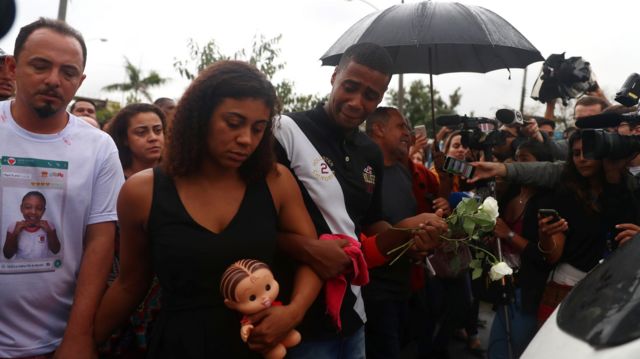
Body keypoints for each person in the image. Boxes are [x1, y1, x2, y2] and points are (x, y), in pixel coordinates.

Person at [94, 60, 323, 358]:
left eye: (258, 128)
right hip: (179, 346)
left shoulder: (276, 181)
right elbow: (129, 284)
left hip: (258, 345)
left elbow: (313, 257)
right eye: (233, 123)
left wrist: (293, 313)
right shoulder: (143, 191)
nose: (246, 139)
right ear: (199, 118)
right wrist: (84, 341)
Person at [273, 42, 446, 358]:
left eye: (370, 95)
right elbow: (252, 223)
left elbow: (370, 222)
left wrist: (410, 238)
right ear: (335, 77)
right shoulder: (286, 130)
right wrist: (309, 249)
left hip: (354, 313)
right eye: (350, 87)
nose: (356, 102)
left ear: (381, 97)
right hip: (296, 320)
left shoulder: (369, 151)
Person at [0, 18, 124, 358]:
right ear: (12, 66)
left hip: (57, 342)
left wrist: (79, 335)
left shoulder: (99, 148)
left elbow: (100, 242)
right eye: (40, 66)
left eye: (68, 72)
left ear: (80, 80)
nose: (54, 80)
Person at [363, 107, 446, 359]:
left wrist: (423, 239)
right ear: (378, 129)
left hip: (407, 285)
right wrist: (406, 240)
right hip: (376, 292)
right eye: (402, 127)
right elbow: (367, 225)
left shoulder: (402, 171)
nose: (408, 134)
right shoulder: (362, 175)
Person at [108, 103, 165, 178]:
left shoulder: (178, 176)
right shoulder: (112, 177)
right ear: (124, 139)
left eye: (158, 130)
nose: (153, 138)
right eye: (141, 132)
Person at [3, 191, 61, 260]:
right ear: (21, 208)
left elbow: (56, 251)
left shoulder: (49, 225)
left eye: (39, 208)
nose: (33, 212)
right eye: (28, 207)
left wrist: (49, 232)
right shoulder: (13, 226)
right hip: (22, 268)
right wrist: (15, 234)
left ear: (44, 211)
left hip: (42, 268)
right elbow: (7, 255)